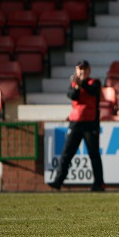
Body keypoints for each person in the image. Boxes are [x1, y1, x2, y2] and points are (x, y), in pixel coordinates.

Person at [49, 60, 105, 192]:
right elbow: (73, 96)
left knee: (94, 155)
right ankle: (58, 181)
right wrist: (77, 86)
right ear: (76, 70)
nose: (83, 72)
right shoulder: (74, 84)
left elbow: (92, 92)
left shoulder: (94, 83)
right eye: (81, 69)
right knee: (67, 154)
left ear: (89, 70)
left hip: (91, 124)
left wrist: (82, 83)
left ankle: (99, 183)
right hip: (75, 124)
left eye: (85, 69)